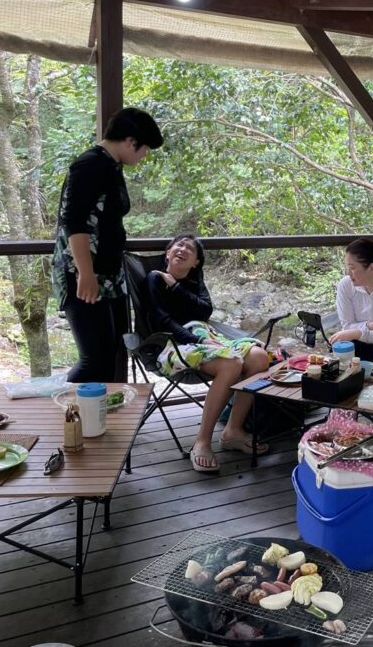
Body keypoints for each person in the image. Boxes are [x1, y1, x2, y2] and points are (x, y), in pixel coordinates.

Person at [52, 107, 163, 383]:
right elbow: (74, 224)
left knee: (112, 354)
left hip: (110, 276)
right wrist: (85, 273)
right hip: (84, 275)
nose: (144, 155)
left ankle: (99, 420)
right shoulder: (88, 165)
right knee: (94, 360)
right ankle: (65, 419)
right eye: (144, 148)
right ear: (130, 141)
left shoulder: (112, 166)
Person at [147, 233, 271, 473]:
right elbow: (161, 320)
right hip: (173, 343)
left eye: (189, 249)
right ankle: (202, 442)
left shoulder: (193, 281)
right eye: (178, 245)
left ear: (195, 262)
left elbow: (204, 311)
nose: (182, 249)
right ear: (168, 253)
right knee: (231, 364)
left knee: (258, 357)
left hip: (205, 335)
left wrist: (176, 285)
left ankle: (233, 430)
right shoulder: (154, 279)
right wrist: (196, 340)